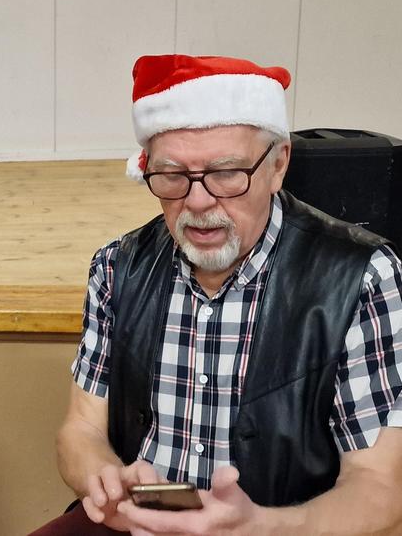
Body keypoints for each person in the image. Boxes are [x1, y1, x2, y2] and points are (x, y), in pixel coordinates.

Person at [36, 55, 402, 535]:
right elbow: (80, 430)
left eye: (227, 173)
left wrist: (262, 527)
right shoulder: (117, 267)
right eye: (172, 175)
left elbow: (380, 486)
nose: (198, 201)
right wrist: (105, 481)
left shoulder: (361, 278)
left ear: (278, 165)